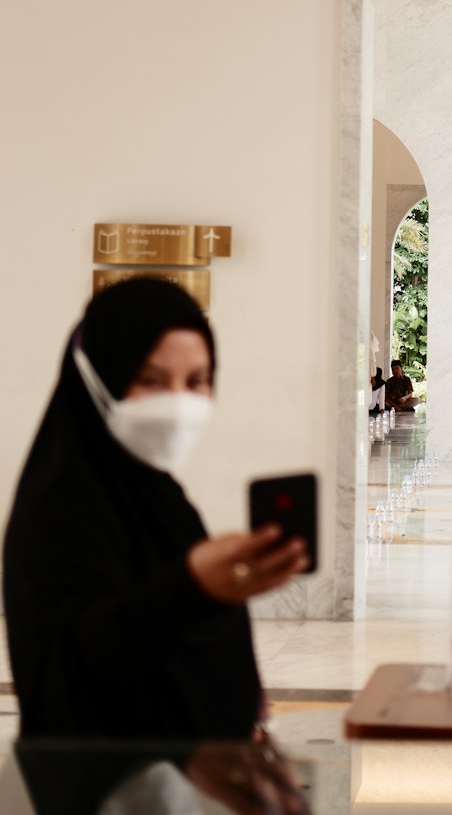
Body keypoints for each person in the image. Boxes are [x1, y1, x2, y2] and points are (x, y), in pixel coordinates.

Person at [2, 276, 310, 740]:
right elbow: (78, 664)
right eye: (152, 380)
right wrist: (191, 586)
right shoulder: (61, 506)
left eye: (198, 381)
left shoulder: (159, 496)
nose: (179, 401)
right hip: (99, 794)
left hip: (193, 788)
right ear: (98, 377)